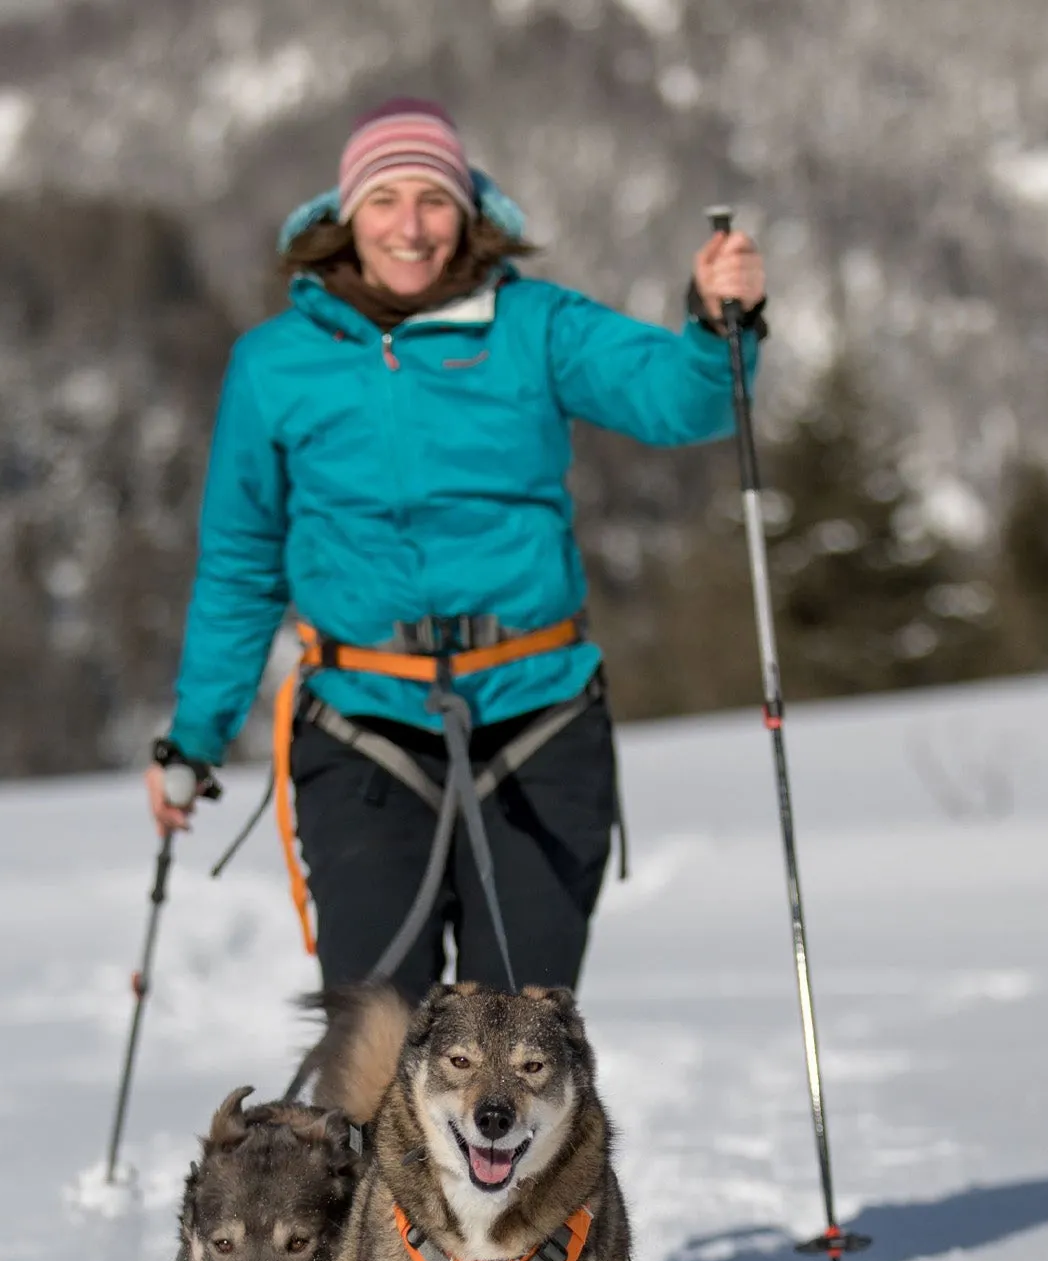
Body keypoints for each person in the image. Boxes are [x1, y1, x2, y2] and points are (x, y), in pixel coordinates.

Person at [146, 97, 765, 996]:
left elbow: (682, 401)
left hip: (540, 713)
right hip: (363, 723)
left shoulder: (533, 325)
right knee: (378, 1035)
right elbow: (241, 564)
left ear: (469, 213)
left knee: (518, 1047)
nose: (410, 226)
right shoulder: (274, 364)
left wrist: (719, 328)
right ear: (346, 214)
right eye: (386, 199)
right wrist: (192, 739)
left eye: (433, 200)